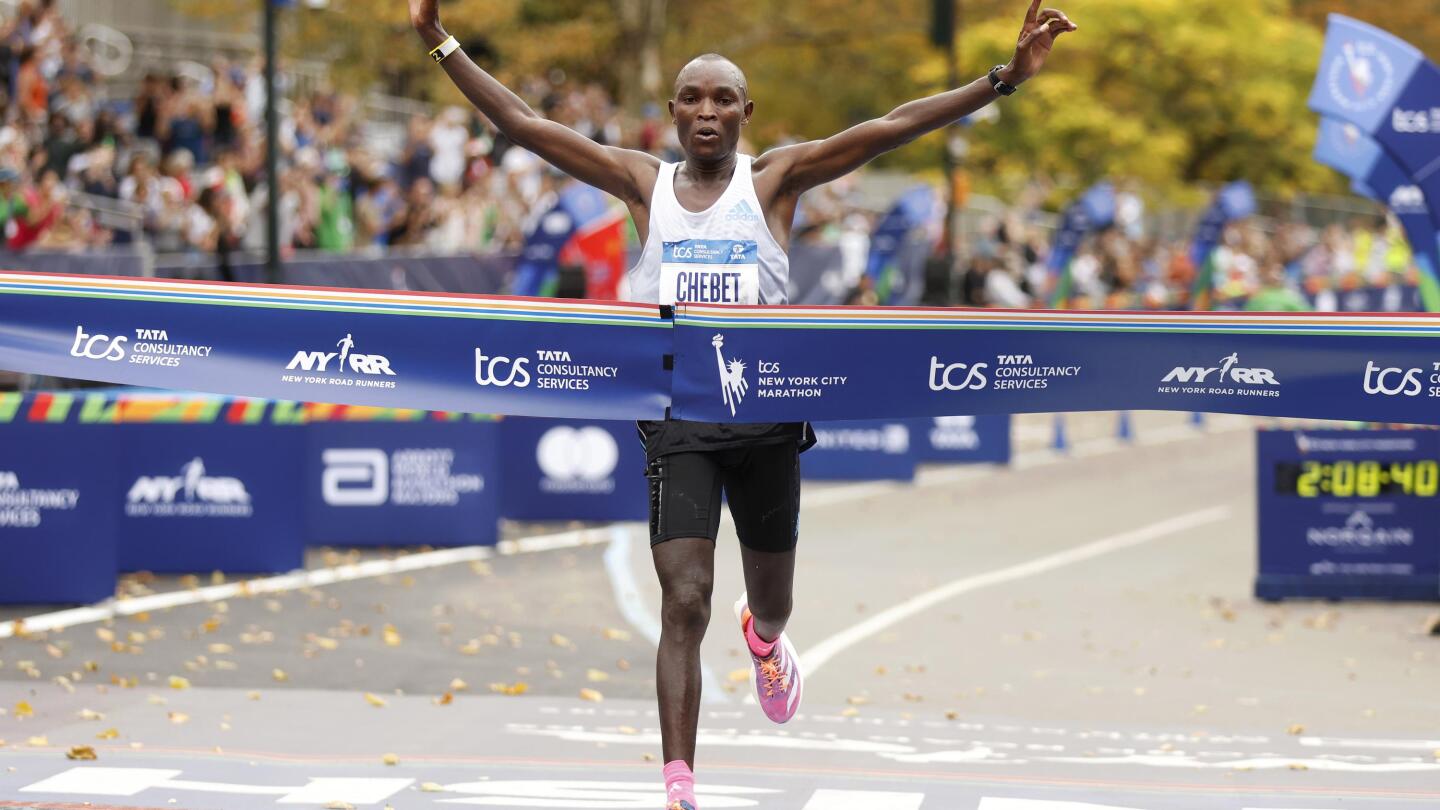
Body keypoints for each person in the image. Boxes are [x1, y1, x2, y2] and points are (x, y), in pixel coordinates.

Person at [408, 3, 1075, 808]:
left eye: (724, 99)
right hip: (679, 422)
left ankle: (763, 640)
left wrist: (1002, 79)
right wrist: (438, 42)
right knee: (682, 598)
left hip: (765, 423)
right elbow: (521, 121)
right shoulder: (639, 183)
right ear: (674, 112)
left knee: (772, 600)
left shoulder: (775, 181)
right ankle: (679, 784)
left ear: (745, 113)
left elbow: (892, 126)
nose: (708, 112)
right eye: (693, 97)